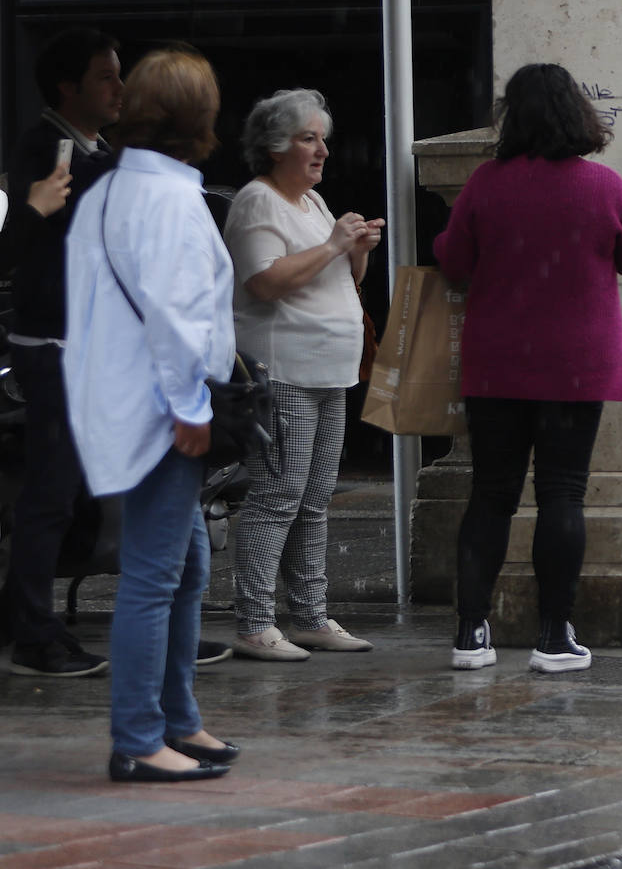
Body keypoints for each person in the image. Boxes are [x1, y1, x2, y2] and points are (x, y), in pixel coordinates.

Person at [435, 63, 622, 673]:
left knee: (491, 493)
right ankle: (555, 636)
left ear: (514, 117)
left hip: (497, 365)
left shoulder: (485, 185)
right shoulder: (604, 187)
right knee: (562, 494)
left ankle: (470, 632)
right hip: (576, 366)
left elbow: (453, 259)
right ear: (576, 115)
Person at [63, 45, 237, 782]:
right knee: (155, 573)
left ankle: (176, 716)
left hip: (124, 400)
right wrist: (190, 405)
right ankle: (140, 735)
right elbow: (174, 315)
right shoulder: (167, 200)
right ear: (198, 119)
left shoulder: (107, 192)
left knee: (184, 562)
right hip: (163, 411)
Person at [223, 89, 384, 661]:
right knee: (277, 495)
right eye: (308, 138)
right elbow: (263, 282)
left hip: (328, 370)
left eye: (323, 140)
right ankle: (254, 621)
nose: (321, 151)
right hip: (283, 369)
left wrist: (356, 249)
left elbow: (342, 279)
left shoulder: (312, 204)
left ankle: (310, 615)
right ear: (275, 146)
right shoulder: (257, 202)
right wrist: (336, 243)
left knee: (314, 498)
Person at [3, 27, 120, 677]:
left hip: (91, 344)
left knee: (76, 491)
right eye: (105, 76)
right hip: (53, 345)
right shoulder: (45, 147)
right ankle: (30, 631)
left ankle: (38, 617)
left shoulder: (98, 147)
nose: (119, 89)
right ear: (66, 87)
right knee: (49, 490)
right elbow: (41, 228)